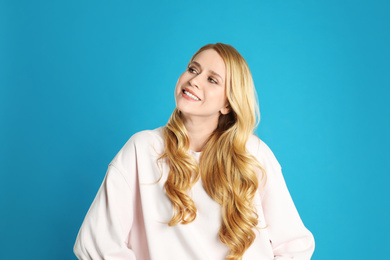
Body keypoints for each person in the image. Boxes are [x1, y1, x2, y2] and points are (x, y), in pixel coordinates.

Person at [73, 43, 315, 260]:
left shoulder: (253, 154)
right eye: (193, 69)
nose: (194, 80)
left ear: (228, 103)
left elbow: (294, 246)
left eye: (212, 79)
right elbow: (95, 243)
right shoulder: (142, 149)